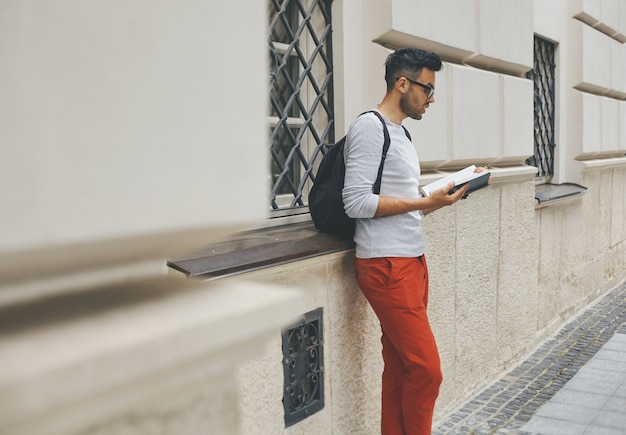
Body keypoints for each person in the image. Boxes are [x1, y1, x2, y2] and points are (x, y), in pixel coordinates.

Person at [342, 47, 485, 435]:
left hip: (410, 261)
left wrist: (446, 191)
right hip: (386, 266)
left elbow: (408, 204)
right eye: (427, 88)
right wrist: (423, 200)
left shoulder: (400, 132)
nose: (431, 99)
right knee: (427, 370)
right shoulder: (369, 127)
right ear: (402, 83)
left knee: (402, 368)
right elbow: (356, 202)